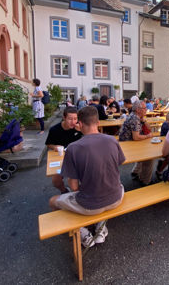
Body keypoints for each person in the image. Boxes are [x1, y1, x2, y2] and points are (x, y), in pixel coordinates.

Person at [49, 106, 125, 248]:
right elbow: (119, 163)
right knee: (110, 187)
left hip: (91, 205)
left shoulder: (73, 148)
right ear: (98, 122)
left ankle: (81, 232)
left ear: (80, 124)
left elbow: (74, 187)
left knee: (53, 201)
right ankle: (101, 226)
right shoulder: (112, 140)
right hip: (116, 198)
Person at [45, 107, 83, 194]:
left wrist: (82, 130)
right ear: (64, 118)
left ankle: (81, 192)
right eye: (70, 119)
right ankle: (64, 191)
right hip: (61, 157)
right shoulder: (54, 129)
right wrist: (54, 147)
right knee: (56, 180)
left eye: (75, 118)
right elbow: (48, 144)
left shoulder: (80, 127)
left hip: (78, 157)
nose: (73, 122)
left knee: (86, 174)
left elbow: (90, 138)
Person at [118, 101, 154, 185]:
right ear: (138, 110)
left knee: (145, 150)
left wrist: (144, 120)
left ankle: (136, 171)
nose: (146, 109)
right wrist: (148, 136)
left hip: (129, 143)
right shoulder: (134, 118)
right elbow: (136, 137)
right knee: (149, 157)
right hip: (127, 146)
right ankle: (145, 181)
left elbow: (149, 128)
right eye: (144, 108)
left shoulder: (137, 117)